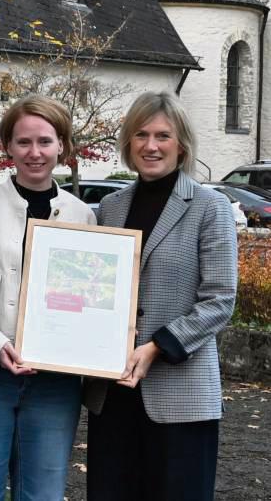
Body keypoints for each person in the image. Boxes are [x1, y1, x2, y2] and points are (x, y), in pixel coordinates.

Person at [85, 92, 236, 501]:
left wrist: (157, 346)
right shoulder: (109, 208)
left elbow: (220, 299)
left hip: (180, 394)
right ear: (128, 144)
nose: (151, 145)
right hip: (113, 393)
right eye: (141, 135)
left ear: (181, 144)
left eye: (162, 135)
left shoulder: (211, 207)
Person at [0, 95, 95, 500]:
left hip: (55, 383)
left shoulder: (83, 216)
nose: (35, 153)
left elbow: (93, 299)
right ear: (7, 146)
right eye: (24, 142)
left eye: (45, 141)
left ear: (61, 145)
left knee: (42, 493)